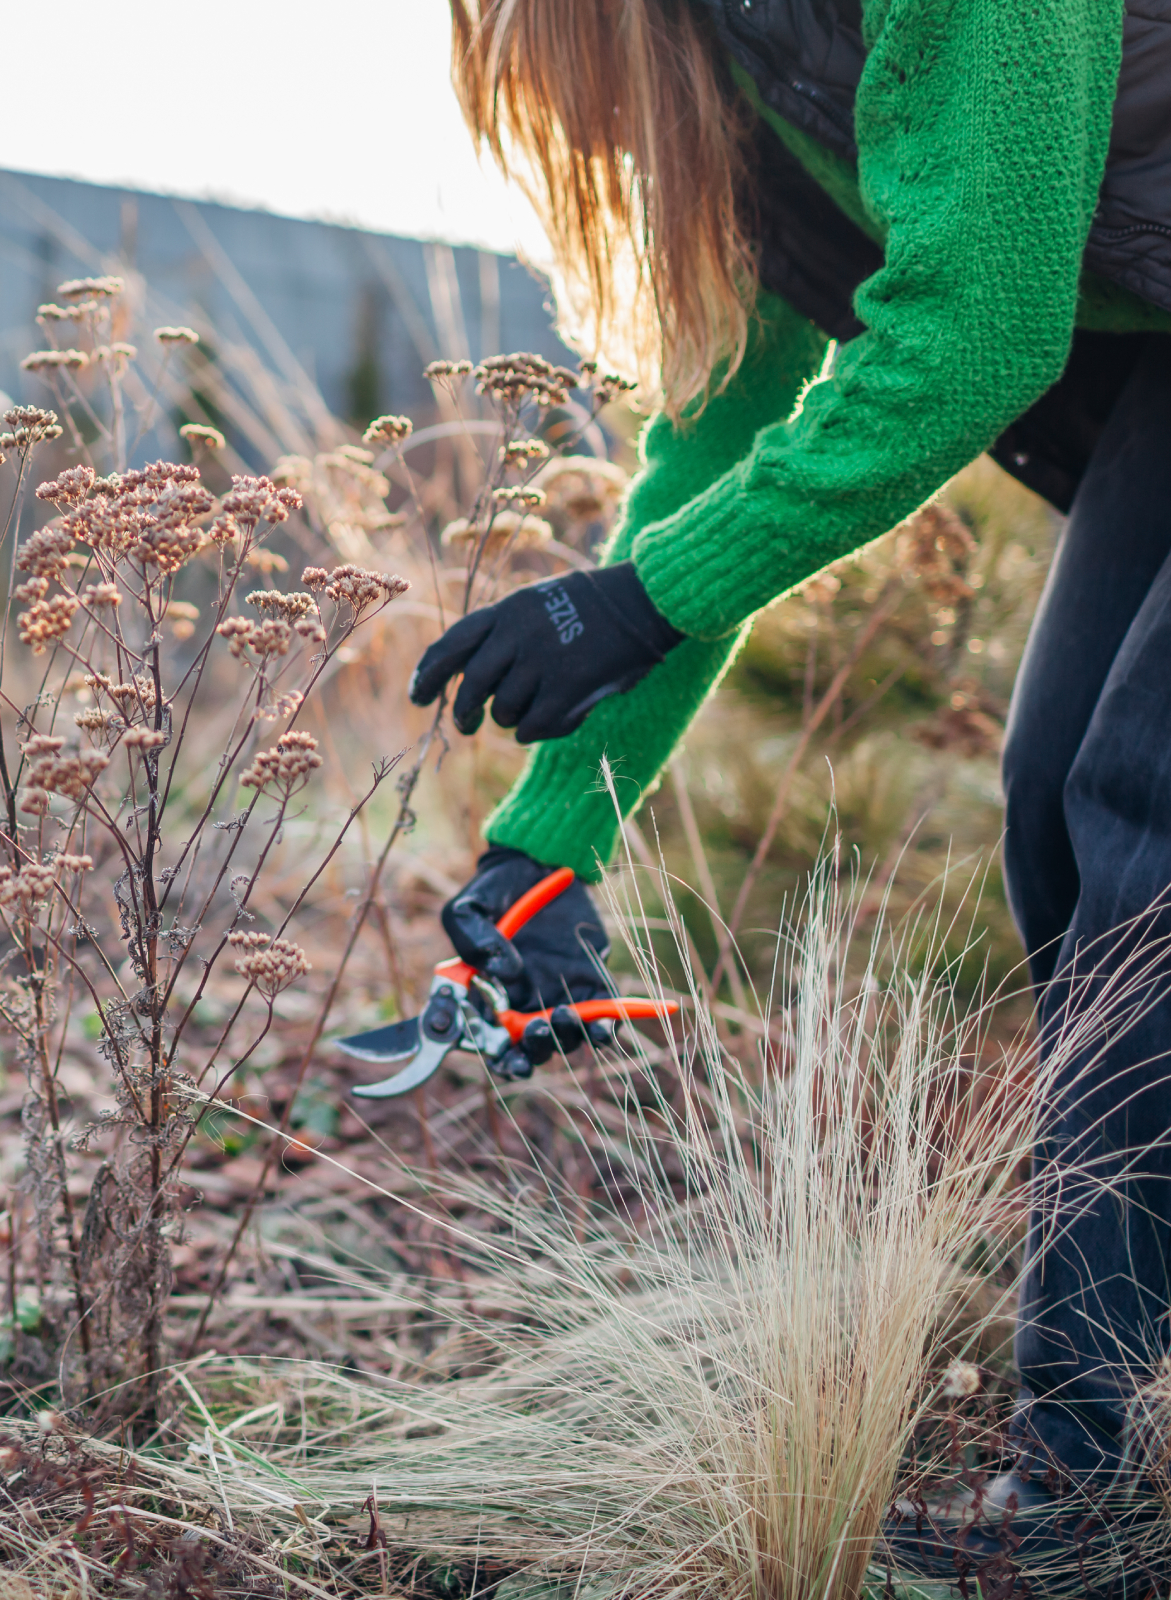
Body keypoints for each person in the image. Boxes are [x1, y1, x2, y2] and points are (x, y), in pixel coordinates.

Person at [420, 0, 1171, 1586]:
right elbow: (712, 460)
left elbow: (978, 331)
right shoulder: (742, 54)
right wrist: (543, 844)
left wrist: (636, 603)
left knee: (1142, 815)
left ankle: (1094, 1496)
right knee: (1056, 804)